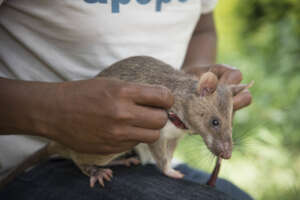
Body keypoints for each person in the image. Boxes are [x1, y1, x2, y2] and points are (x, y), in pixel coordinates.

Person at [0, 0, 252, 199]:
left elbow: (203, 27)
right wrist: (53, 113)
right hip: (36, 157)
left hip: (137, 158)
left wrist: (196, 71)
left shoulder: (189, 102)